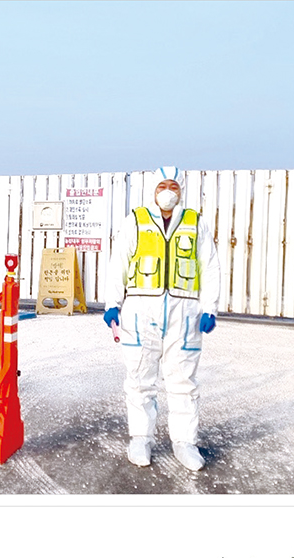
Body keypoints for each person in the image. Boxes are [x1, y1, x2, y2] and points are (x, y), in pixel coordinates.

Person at [104, 166, 221, 471]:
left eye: (172, 186)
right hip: (141, 310)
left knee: (183, 381)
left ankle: (185, 442)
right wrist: (112, 304)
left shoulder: (195, 223)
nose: (167, 192)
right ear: (153, 190)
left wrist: (210, 307)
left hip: (185, 313)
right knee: (139, 378)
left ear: (181, 190)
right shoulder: (137, 221)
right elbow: (119, 262)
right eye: (161, 186)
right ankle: (140, 438)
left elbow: (209, 266)